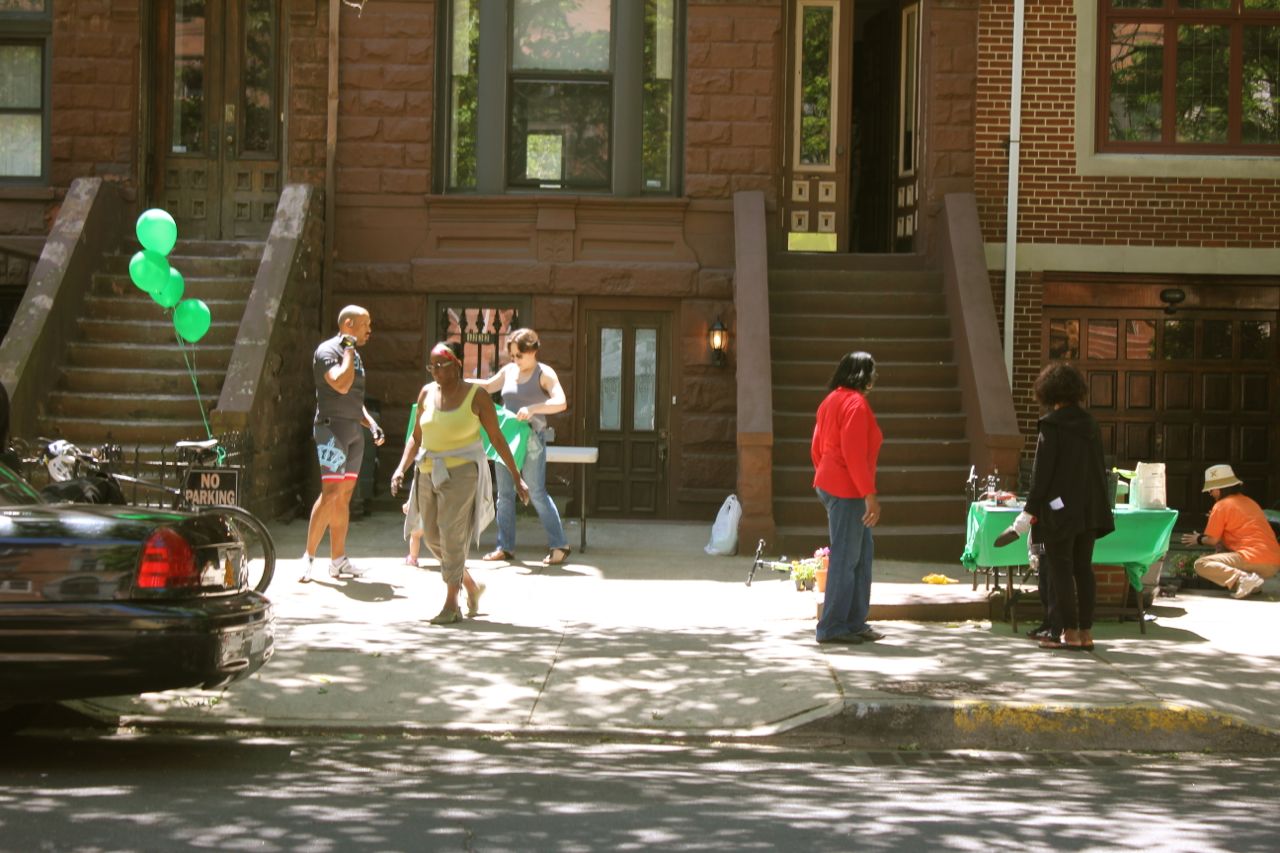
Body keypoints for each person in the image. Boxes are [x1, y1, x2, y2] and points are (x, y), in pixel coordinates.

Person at [391, 342, 529, 625]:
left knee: (452, 536)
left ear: (456, 364)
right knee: (431, 537)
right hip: (428, 471)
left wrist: (517, 476)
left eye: (441, 365)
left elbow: (497, 438)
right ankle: (471, 586)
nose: (436, 372)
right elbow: (416, 436)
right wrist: (400, 469)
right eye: (432, 367)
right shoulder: (426, 393)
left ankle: (451, 604)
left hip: (463, 473)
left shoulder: (476, 396)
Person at [1018, 362, 1114, 651]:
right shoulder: (1091, 425)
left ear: (1048, 391)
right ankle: (1085, 633)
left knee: (1060, 570)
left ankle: (1067, 632)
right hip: (1090, 509)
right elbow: (1097, 470)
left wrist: (1029, 509)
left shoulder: (1051, 425)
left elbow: (1042, 475)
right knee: (1084, 569)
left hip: (1059, 511)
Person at [301, 305, 385, 583]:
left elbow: (355, 398)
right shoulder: (328, 351)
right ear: (349, 324)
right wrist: (348, 348)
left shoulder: (355, 355)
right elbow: (340, 384)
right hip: (331, 429)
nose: (369, 330)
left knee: (345, 496)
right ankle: (308, 558)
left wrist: (370, 423)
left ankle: (338, 560)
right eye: (365, 324)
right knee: (331, 493)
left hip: (353, 431)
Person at [476, 328, 571, 566]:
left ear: (533, 351)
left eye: (519, 355)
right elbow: (488, 386)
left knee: (536, 491)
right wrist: (460, 382)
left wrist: (533, 409)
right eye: (512, 355)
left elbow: (561, 402)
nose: (515, 360)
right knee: (505, 494)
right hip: (506, 437)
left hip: (532, 439)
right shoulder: (509, 370)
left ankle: (559, 545)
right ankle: (505, 547)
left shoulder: (544, 373)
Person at [811, 351, 884, 646]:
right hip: (848, 489)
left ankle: (853, 622)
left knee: (861, 555)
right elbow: (854, 454)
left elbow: (816, 447)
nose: (874, 379)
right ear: (863, 376)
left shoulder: (830, 401)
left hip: (833, 484)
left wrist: (828, 475)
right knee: (846, 558)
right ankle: (832, 626)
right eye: (872, 373)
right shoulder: (856, 404)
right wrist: (869, 495)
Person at [1179, 464, 1280, 599]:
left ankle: (1244, 578)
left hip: (1252, 557)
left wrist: (1198, 539)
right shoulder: (1250, 502)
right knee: (1224, 556)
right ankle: (1253, 585)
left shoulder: (1221, 505)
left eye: (1211, 490)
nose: (1210, 493)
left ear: (1219, 488)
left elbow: (1212, 540)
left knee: (1202, 564)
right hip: (1274, 562)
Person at [402, 498, 424, 567]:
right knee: (440, 537)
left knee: (415, 536)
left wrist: (408, 504)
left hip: (421, 510)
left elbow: (414, 495)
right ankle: (446, 558)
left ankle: (413, 559)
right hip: (436, 511)